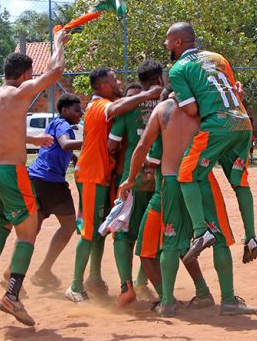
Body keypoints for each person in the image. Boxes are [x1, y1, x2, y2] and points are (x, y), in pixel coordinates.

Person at [118, 86, 257, 317]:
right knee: (219, 239)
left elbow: (142, 146)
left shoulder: (162, 110)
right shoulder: (204, 109)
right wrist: (236, 100)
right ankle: (229, 299)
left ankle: (167, 303)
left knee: (170, 242)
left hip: (171, 182)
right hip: (200, 179)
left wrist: (130, 179)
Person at [0, 30, 67, 327]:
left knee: (1, 223)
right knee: (27, 234)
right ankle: (12, 296)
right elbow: (56, 71)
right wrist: (57, 43)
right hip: (10, 173)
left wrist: (32, 139)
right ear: (26, 74)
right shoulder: (19, 93)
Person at [164, 22, 257, 265]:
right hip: (242, 122)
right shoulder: (219, 58)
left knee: (186, 174)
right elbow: (235, 93)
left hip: (216, 126)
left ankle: (200, 231)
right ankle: (251, 237)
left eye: (167, 40)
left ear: (177, 42)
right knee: (240, 181)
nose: (166, 45)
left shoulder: (178, 70)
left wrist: (180, 97)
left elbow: (193, 109)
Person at [65, 67, 162, 304]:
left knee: (100, 230)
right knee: (90, 232)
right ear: (104, 85)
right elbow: (117, 110)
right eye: (113, 79)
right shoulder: (99, 105)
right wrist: (147, 95)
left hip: (103, 176)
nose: (117, 81)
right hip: (90, 175)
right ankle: (75, 286)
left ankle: (95, 278)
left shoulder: (114, 108)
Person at [107, 60, 165, 306]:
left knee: (122, 234)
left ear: (140, 82)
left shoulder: (129, 107)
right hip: (163, 179)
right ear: (160, 79)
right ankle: (155, 286)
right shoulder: (169, 103)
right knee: (155, 235)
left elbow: (111, 144)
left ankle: (126, 286)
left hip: (133, 179)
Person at [27, 93, 84, 287]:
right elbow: (65, 144)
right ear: (65, 110)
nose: (81, 113)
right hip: (51, 182)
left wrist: (74, 158)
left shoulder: (55, 122)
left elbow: (59, 149)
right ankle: (43, 271)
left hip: (36, 179)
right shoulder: (63, 125)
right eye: (77, 110)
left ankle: (12, 271)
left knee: (32, 228)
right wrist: (92, 141)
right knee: (68, 226)